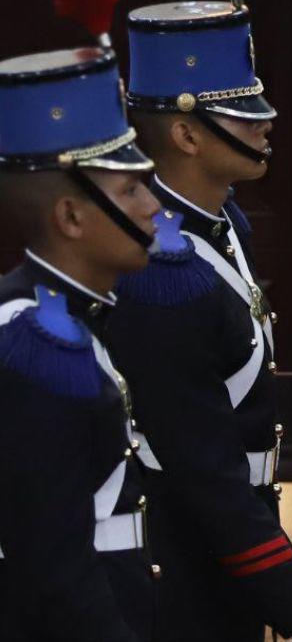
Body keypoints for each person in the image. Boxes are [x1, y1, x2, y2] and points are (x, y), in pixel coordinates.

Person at [101, 0, 292, 642]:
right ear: (187, 135)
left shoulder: (217, 221)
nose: (266, 121)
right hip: (181, 582)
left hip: (226, 569)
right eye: (244, 112)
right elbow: (205, 481)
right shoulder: (162, 277)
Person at [0, 45, 161, 642]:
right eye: (130, 193)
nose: (154, 208)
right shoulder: (33, 346)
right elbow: (56, 573)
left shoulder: (69, 318)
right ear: (69, 216)